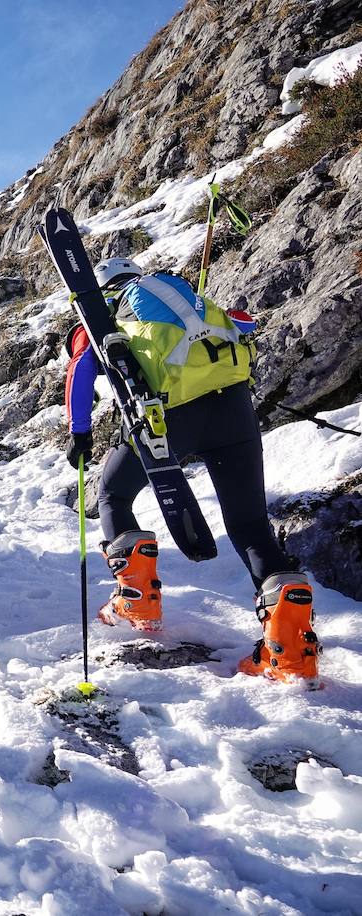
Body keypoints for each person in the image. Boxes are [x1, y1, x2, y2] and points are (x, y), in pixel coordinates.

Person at [65, 257, 320, 688]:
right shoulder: (182, 296)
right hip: (234, 409)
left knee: (113, 495)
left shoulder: (99, 312)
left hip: (167, 418)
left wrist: (80, 432)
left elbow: (81, 369)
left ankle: (137, 602)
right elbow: (243, 324)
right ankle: (291, 655)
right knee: (250, 525)